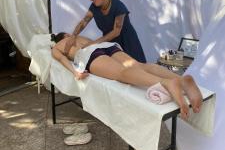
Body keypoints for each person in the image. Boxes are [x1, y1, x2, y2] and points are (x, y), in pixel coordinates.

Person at [52, 33, 203, 120]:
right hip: (106, 47)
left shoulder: (58, 46)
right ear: (66, 35)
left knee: (121, 73)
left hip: (88, 55)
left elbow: (62, 59)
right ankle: (181, 80)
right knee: (139, 66)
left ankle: (166, 83)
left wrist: (75, 72)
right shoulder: (78, 36)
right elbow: (95, 43)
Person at [65, 0, 146, 63]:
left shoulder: (118, 6)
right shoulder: (94, 7)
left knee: (137, 67)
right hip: (110, 43)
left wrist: (93, 44)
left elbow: (116, 32)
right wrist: (73, 36)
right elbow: (84, 22)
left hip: (128, 42)